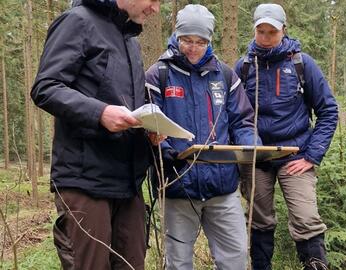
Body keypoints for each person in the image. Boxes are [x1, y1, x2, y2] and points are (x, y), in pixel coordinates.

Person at [31, 0, 159, 269]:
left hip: (128, 185)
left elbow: (126, 100)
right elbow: (46, 87)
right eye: (154, 0)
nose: (156, 8)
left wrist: (151, 128)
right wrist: (99, 112)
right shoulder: (78, 21)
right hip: (84, 180)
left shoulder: (130, 39)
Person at [145, 4, 260, 270]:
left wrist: (251, 144)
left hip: (223, 187)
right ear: (177, 36)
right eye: (187, 40)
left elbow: (242, 120)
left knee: (236, 258)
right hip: (178, 186)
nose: (193, 47)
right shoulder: (158, 74)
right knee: (178, 263)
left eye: (200, 41)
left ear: (209, 41)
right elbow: (149, 125)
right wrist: (167, 152)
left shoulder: (225, 74)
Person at [235, 3, 338, 270]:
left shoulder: (302, 63)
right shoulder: (244, 67)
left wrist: (312, 156)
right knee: (259, 220)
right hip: (256, 157)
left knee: (306, 218)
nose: (266, 38)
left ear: (284, 31)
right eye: (261, 32)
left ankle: (315, 265)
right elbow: (232, 114)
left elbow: (328, 111)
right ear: (254, 30)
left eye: (272, 32)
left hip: (296, 154)